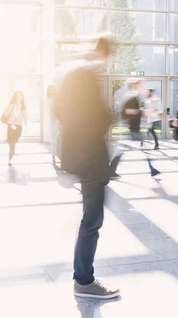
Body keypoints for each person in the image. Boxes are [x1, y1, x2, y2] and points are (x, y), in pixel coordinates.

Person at [55, 36, 120, 299]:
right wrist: (111, 114)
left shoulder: (71, 72)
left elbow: (60, 111)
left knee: (90, 219)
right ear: (105, 54)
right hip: (89, 159)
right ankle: (84, 280)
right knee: (92, 220)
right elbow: (94, 117)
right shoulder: (85, 75)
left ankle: (83, 277)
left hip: (80, 157)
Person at [109, 79, 160, 178]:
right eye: (140, 84)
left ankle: (111, 170)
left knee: (127, 150)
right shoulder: (132, 97)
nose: (142, 86)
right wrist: (141, 112)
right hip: (132, 128)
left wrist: (141, 111)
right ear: (135, 85)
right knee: (131, 149)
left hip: (133, 127)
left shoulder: (132, 96)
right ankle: (152, 169)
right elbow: (127, 111)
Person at [2, 91, 27, 166]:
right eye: (18, 96)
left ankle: (12, 151)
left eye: (21, 96)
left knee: (14, 142)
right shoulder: (11, 105)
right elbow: (5, 114)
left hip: (19, 126)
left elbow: (25, 117)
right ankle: (10, 159)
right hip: (11, 126)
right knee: (11, 144)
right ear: (15, 97)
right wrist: (10, 109)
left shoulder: (23, 106)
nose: (20, 97)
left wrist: (25, 123)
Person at [47, 85, 61, 168]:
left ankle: (62, 158)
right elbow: (53, 109)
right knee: (54, 139)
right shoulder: (50, 99)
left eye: (54, 89)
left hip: (61, 120)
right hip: (54, 120)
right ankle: (53, 157)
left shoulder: (60, 98)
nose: (53, 91)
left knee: (62, 139)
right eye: (50, 90)